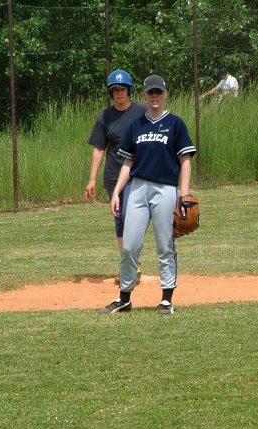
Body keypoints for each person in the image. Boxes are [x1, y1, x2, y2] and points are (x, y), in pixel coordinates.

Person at [100, 75, 196, 315]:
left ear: (165, 95)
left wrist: (183, 195)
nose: (154, 96)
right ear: (144, 95)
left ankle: (166, 299)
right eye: (150, 93)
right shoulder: (137, 125)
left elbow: (185, 160)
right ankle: (124, 298)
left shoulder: (175, 124)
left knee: (165, 244)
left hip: (165, 189)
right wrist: (117, 193)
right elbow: (128, 162)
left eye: (158, 92)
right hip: (139, 188)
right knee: (130, 245)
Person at [86, 69, 147, 281]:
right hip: (114, 176)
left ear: (129, 90)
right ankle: (130, 264)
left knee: (132, 217)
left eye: (123, 89)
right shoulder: (106, 116)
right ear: (111, 93)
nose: (119, 93)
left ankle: (131, 261)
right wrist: (92, 178)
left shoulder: (142, 111)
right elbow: (99, 148)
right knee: (120, 220)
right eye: (115, 90)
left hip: (138, 174)